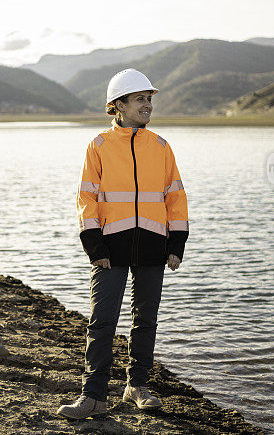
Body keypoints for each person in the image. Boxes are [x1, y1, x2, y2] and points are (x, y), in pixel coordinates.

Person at [57, 69, 189, 419]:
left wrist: (176, 243)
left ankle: (137, 386)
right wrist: (94, 245)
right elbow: (86, 196)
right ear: (118, 105)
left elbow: (175, 196)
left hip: (152, 245)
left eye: (149, 99)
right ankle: (94, 396)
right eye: (140, 99)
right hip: (110, 247)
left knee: (145, 319)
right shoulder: (99, 146)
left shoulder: (161, 146)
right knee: (102, 321)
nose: (147, 105)